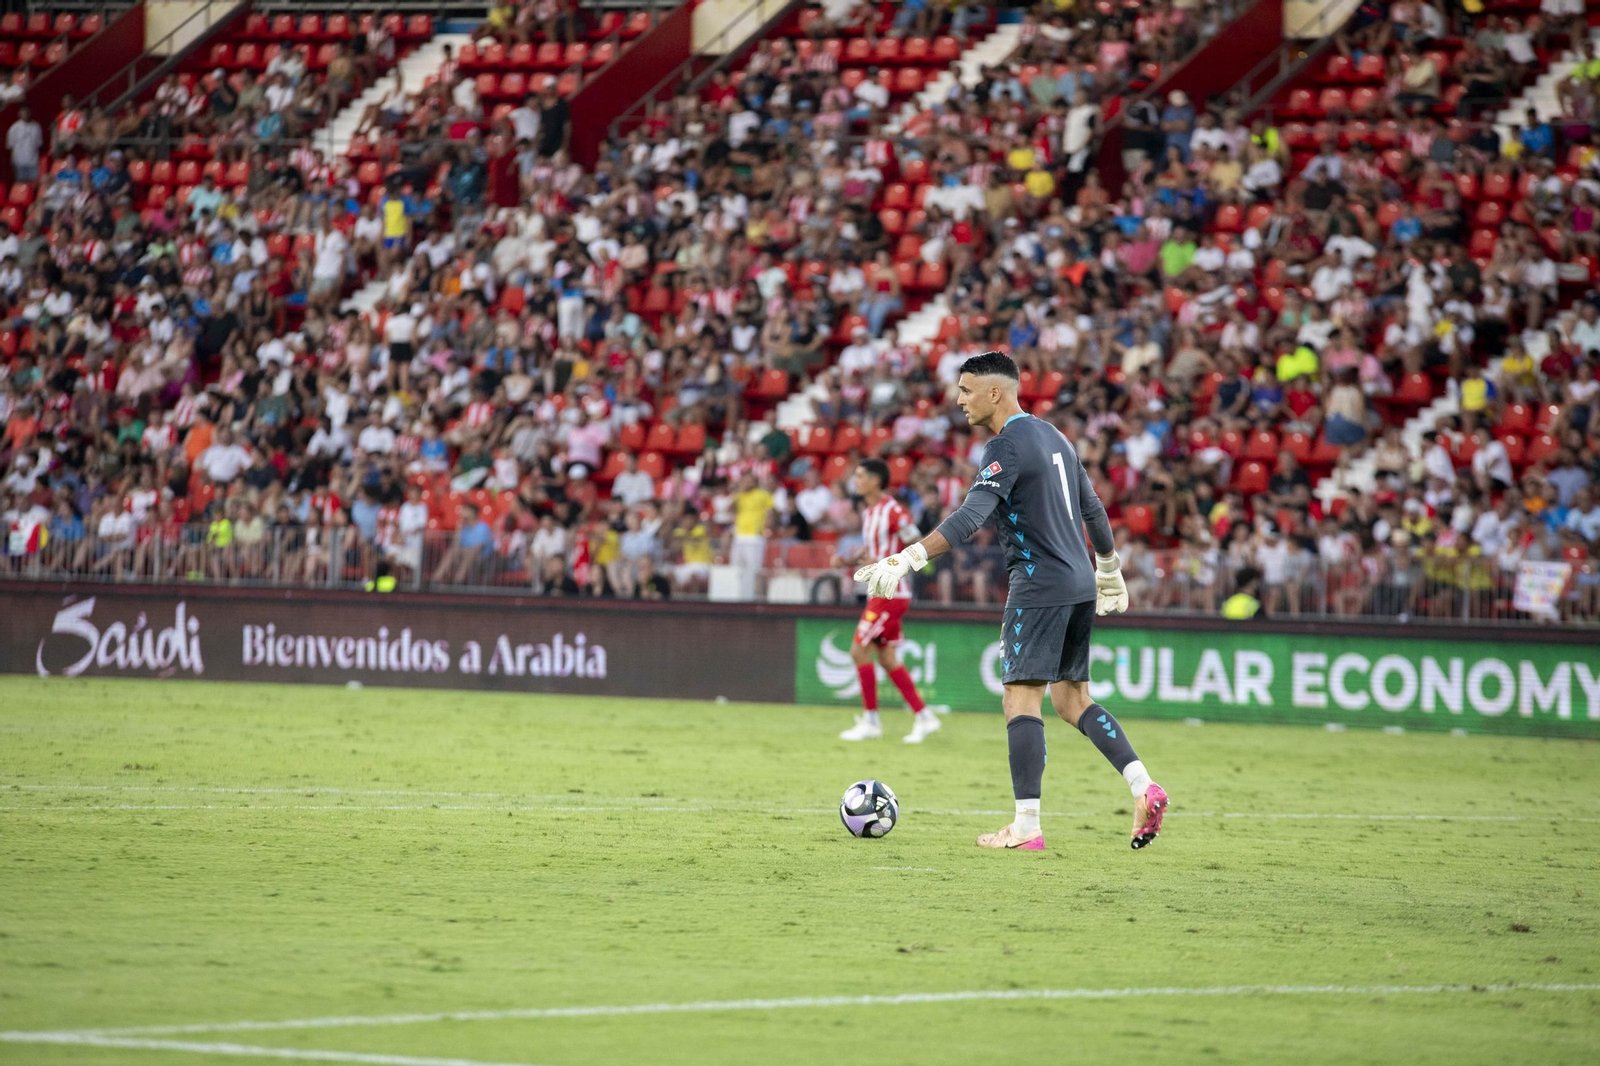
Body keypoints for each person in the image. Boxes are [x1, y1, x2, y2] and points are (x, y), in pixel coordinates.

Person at [855, 351, 1168, 852]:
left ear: (994, 392)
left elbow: (970, 516)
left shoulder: (1007, 445)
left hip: (1039, 585)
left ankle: (1025, 827)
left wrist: (905, 559)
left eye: (965, 390)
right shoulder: (1055, 437)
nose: (958, 400)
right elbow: (1092, 507)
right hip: (1080, 584)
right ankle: (1143, 784)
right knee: (1072, 700)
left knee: (1020, 700)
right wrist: (1108, 568)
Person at [836, 459, 942, 745]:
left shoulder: (894, 511)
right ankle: (925, 717)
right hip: (879, 591)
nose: (855, 480)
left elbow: (918, 544)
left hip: (891, 593)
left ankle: (871, 721)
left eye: (860, 475)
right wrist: (848, 560)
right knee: (886, 657)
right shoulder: (870, 512)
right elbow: (873, 552)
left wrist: (885, 562)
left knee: (858, 652)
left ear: (875, 480)